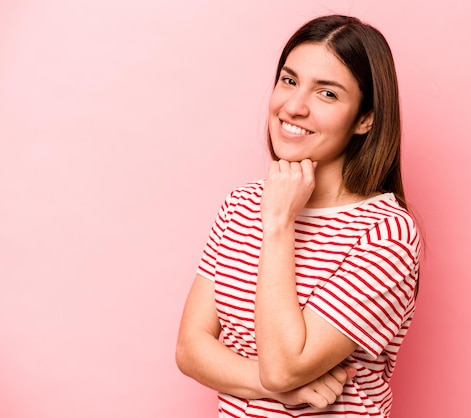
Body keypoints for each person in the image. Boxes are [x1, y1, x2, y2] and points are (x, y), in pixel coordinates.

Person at [176, 14, 421, 418]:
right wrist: (276, 387)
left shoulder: (387, 235)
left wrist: (278, 223)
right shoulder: (241, 204)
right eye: (289, 81)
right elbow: (191, 346)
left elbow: (287, 364)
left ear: (365, 118)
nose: (293, 106)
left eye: (327, 94)